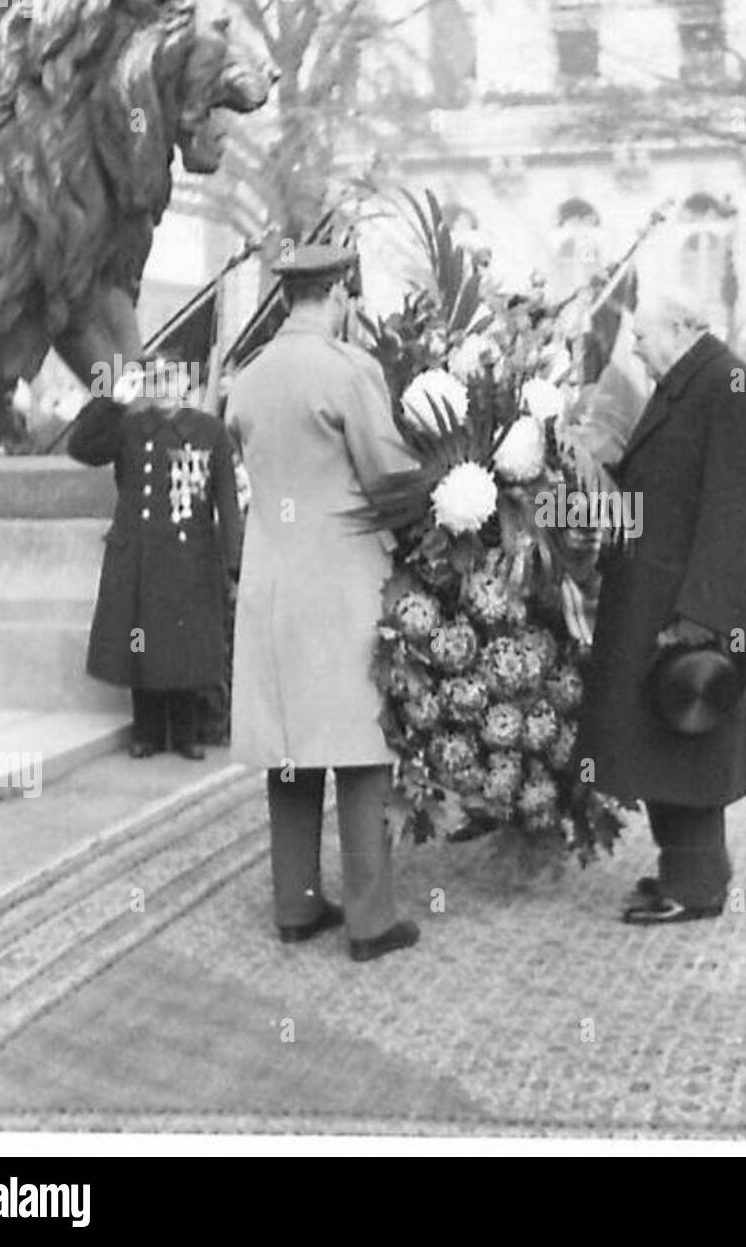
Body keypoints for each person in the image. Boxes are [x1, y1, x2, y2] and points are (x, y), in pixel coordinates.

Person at [226, 244, 418, 962]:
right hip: (342, 583)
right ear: (339, 293)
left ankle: (297, 905)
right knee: (362, 746)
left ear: (285, 297)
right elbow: (389, 477)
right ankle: (371, 922)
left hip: (273, 583)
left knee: (290, 746)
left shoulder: (246, 378)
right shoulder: (347, 371)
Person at [579, 296, 746, 925]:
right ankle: (686, 871)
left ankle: (695, 888)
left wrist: (701, 620)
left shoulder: (732, 388)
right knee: (667, 742)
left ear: (684, 330)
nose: (633, 347)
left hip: (688, 612)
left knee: (689, 745)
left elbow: (736, 519)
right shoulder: (695, 384)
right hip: (659, 600)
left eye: (642, 336)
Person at [68, 358, 241, 759]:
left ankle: (185, 734)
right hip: (138, 554)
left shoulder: (208, 431)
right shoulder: (129, 427)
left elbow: (227, 502)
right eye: (157, 379)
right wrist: (112, 401)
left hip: (190, 555)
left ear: (187, 382)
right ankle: (145, 731)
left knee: (184, 648)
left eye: (172, 377)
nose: (164, 386)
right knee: (141, 644)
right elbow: (81, 447)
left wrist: (235, 561)